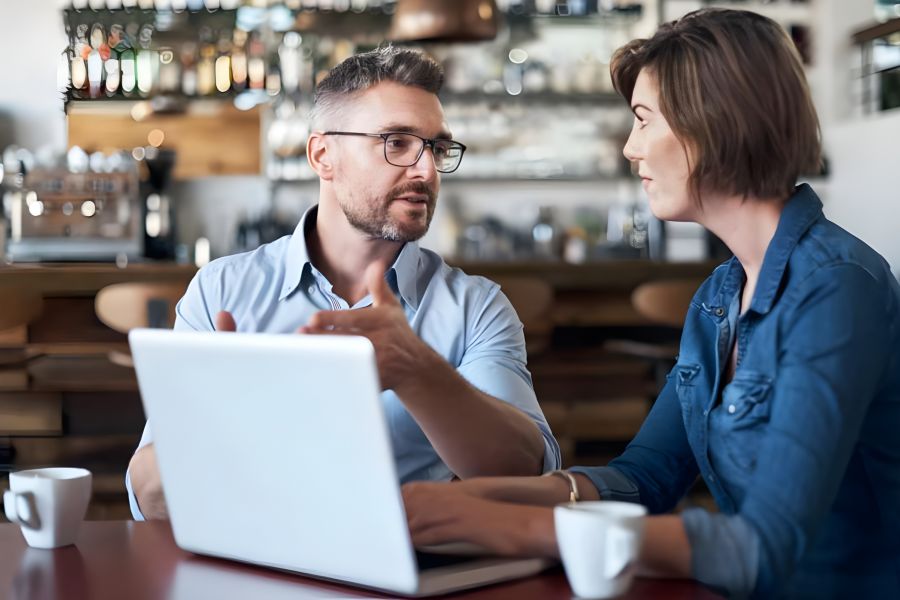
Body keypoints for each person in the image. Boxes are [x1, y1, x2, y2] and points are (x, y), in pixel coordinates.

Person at [401, 9, 900, 599]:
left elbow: (765, 546)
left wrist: (516, 527)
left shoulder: (838, 286)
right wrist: (470, 497)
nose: (630, 148)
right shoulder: (719, 296)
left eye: (643, 120)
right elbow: (648, 477)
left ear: (714, 121)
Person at [126, 46, 561, 521]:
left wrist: (416, 371)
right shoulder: (221, 292)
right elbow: (149, 497)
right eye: (397, 142)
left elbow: (527, 473)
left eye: (436, 147)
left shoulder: (474, 307)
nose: (427, 171)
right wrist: (234, 420)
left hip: (411, 573)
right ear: (322, 155)